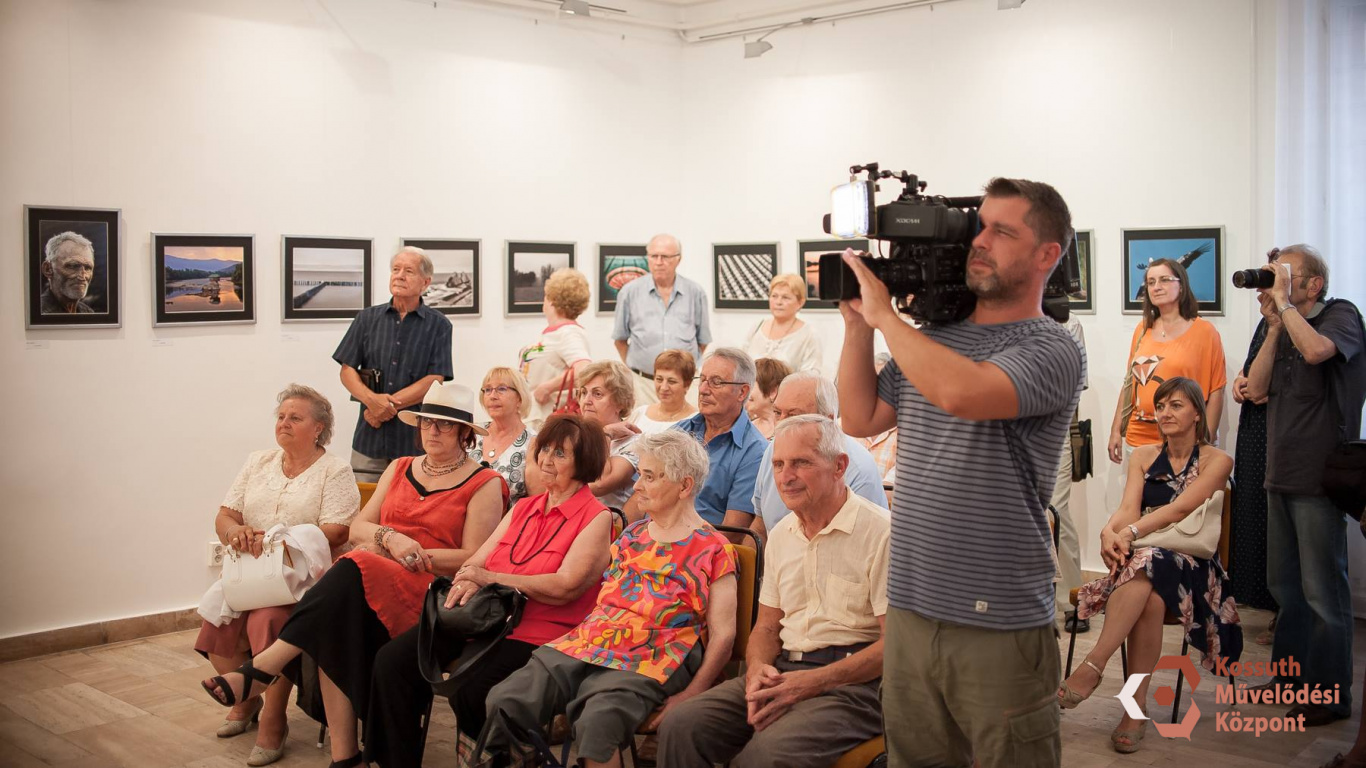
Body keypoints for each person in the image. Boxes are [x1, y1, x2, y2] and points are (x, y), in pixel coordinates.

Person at [838, 177, 1084, 768]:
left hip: (997, 614)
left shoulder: (1052, 347)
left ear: (1047, 254)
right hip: (912, 604)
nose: (981, 241)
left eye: (1003, 231)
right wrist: (859, 327)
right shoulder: (931, 341)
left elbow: (962, 393)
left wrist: (887, 319)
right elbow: (859, 416)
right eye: (980, 227)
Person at [199, 382, 505, 768]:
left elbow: (472, 557)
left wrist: (407, 553)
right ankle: (345, 757)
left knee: (353, 564)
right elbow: (359, 527)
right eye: (426, 422)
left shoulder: (485, 483)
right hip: (373, 579)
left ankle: (264, 668)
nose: (432, 430)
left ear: (465, 433)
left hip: (432, 591)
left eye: (444, 424)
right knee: (337, 618)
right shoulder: (399, 467)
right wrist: (389, 539)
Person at [364, 415, 613, 768]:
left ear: (584, 461)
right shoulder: (524, 507)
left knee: (471, 688)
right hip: (484, 618)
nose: (545, 459)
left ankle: (505, 758)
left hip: (539, 632)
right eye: (544, 449)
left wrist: (490, 577)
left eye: (560, 453)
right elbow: (474, 563)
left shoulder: (596, 516)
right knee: (393, 662)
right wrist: (470, 578)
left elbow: (565, 585)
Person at [482, 430, 737, 768]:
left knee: (598, 722)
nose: (637, 486)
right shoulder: (631, 535)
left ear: (684, 486)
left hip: (656, 655)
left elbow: (724, 635)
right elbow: (595, 592)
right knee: (504, 699)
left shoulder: (714, 549)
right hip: (591, 643)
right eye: (639, 474)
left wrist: (691, 694)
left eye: (649, 476)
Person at [658, 415, 889, 768]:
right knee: (682, 725)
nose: (785, 476)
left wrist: (811, 682)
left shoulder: (881, 533)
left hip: (856, 686)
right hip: (784, 671)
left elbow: (895, 647)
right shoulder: (782, 534)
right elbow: (766, 628)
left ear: (839, 466)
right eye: (778, 464)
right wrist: (756, 671)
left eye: (801, 463)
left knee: (762, 758)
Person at [1060, 377, 1240, 753]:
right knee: (1152, 598)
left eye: (1176, 405)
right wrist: (1109, 532)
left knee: (1146, 561)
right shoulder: (1143, 455)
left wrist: (1130, 533)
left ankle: (1093, 665)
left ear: (1197, 413)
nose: (1164, 413)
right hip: (1148, 557)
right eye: (1160, 406)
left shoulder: (1218, 460)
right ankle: (1134, 710)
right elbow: (1129, 508)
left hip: (1194, 564)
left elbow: (1181, 509)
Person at [195, 384, 359, 766]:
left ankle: (274, 718)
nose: (284, 423)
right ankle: (248, 700)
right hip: (252, 574)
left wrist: (280, 541)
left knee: (267, 620)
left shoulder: (334, 470)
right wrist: (235, 533)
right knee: (216, 623)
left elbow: (338, 531)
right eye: (281, 416)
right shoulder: (258, 461)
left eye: (295, 418)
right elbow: (226, 514)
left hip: (304, 579)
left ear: (318, 428)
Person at [1245, 244, 1366, 727]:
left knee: (1322, 591)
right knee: (1287, 589)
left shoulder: (1341, 315)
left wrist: (1286, 308)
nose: (1276, 281)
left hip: (1320, 478)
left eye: (1286, 274)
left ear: (1314, 284)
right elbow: (1255, 389)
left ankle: (1331, 695)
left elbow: (1317, 352)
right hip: (1280, 473)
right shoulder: (1283, 324)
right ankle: (1289, 680)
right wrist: (1274, 325)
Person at [335, 246, 453, 482]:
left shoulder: (439, 325)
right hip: (369, 437)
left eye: (408, 271)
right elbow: (347, 371)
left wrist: (385, 408)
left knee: (410, 500)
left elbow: (435, 379)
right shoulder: (366, 319)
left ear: (426, 282)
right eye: (396, 269)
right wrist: (372, 402)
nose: (399, 276)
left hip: (412, 440)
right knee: (362, 499)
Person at [1106, 258, 1227, 470]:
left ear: (1182, 286)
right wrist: (1116, 430)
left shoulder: (1204, 332)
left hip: (1184, 442)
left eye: (1164, 280)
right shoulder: (1142, 330)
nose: (1156, 287)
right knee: (1138, 493)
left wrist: (1204, 441)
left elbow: (1216, 389)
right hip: (1139, 438)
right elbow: (1130, 385)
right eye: (1151, 282)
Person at [751, 371, 887, 537]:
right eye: (778, 413)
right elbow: (760, 526)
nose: (781, 424)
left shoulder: (858, 468)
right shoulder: (773, 451)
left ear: (827, 420)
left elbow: (862, 543)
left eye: (794, 416)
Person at [649, 348, 766, 536]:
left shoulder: (754, 451)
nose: (703, 390)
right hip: (653, 535)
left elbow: (732, 532)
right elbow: (642, 491)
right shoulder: (680, 431)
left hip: (702, 547)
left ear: (742, 392)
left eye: (716, 382)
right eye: (702, 380)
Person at [612, 233, 712, 407]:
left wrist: (685, 371)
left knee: (686, 425)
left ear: (678, 259)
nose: (658, 262)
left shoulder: (695, 292)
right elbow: (620, 340)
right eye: (654, 256)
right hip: (643, 385)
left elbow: (702, 341)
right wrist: (636, 370)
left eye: (665, 257)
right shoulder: (629, 292)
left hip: (685, 385)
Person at [1230, 314, 1277, 618]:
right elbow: (1252, 368)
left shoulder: (1295, 322)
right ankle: (1262, 600)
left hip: (1280, 430)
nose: (1260, 295)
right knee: (1252, 508)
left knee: (1278, 521)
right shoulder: (1265, 323)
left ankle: (1283, 611)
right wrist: (1240, 378)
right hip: (1254, 430)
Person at [519, 268, 593, 423]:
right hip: (536, 415)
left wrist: (547, 388)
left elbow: (585, 370)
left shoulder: (569, 333)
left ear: (552, 299)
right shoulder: (557, 332)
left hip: (550, 418)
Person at [1055, 315, 1090, 632]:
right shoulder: (1002, 313)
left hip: (1054, 432)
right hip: (1008, 432)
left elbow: (1075, 385)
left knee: (1057, 512)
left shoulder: (1069, 322)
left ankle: (1072, 601)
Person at [471, 367, 543, 507]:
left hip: (510, 519)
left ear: (519, 398)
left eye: (501, 389)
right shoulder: (472, 433)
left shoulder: (533, 443)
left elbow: (536, 502)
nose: (493, 396)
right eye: (487, 390)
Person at [575, 360, 641, 511]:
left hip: (610, 521)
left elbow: (600, 483)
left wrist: (606, 434)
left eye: (597, 394)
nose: (587, 401)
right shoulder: (575, 436)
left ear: (620, 402)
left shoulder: (635, 443)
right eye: (584, 392)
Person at [742, 274, 823, 373]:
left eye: (785, 297)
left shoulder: (809, 335)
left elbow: (811, 376)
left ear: (800, 302)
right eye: (774, 296)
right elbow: (742, 366)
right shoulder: (757, 327)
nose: (778, 302)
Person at [628, 350, 697, 435]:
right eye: (659, 379)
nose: (664, 387)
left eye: (671, 381)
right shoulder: (640, 413)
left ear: (687, 384)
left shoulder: (695, 421)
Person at [39, 231, 97, 313]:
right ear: (48, 269)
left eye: (88, 268)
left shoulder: (88, 312)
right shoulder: (38, 311)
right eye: (73, 266)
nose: (83, 276)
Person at [747, 358, 792, 441]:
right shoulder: (745, 427)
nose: (745, 390)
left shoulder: (789, 430)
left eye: (751, 384)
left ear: (773, 391)